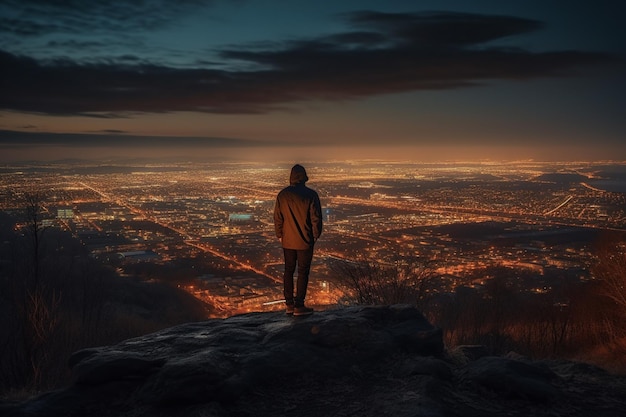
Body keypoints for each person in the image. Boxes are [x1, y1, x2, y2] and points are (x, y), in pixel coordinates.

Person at [273, 164, 323, 316]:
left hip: (287, 241)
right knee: (303, 272)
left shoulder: (283, 195)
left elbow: (277, 218)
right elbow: (316, 219)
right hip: (305, 241)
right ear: (304, 176)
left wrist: (280, 235)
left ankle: (289, 304)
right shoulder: (311, 195)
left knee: (288, 270)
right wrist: (315, 236)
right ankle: (299, 305)